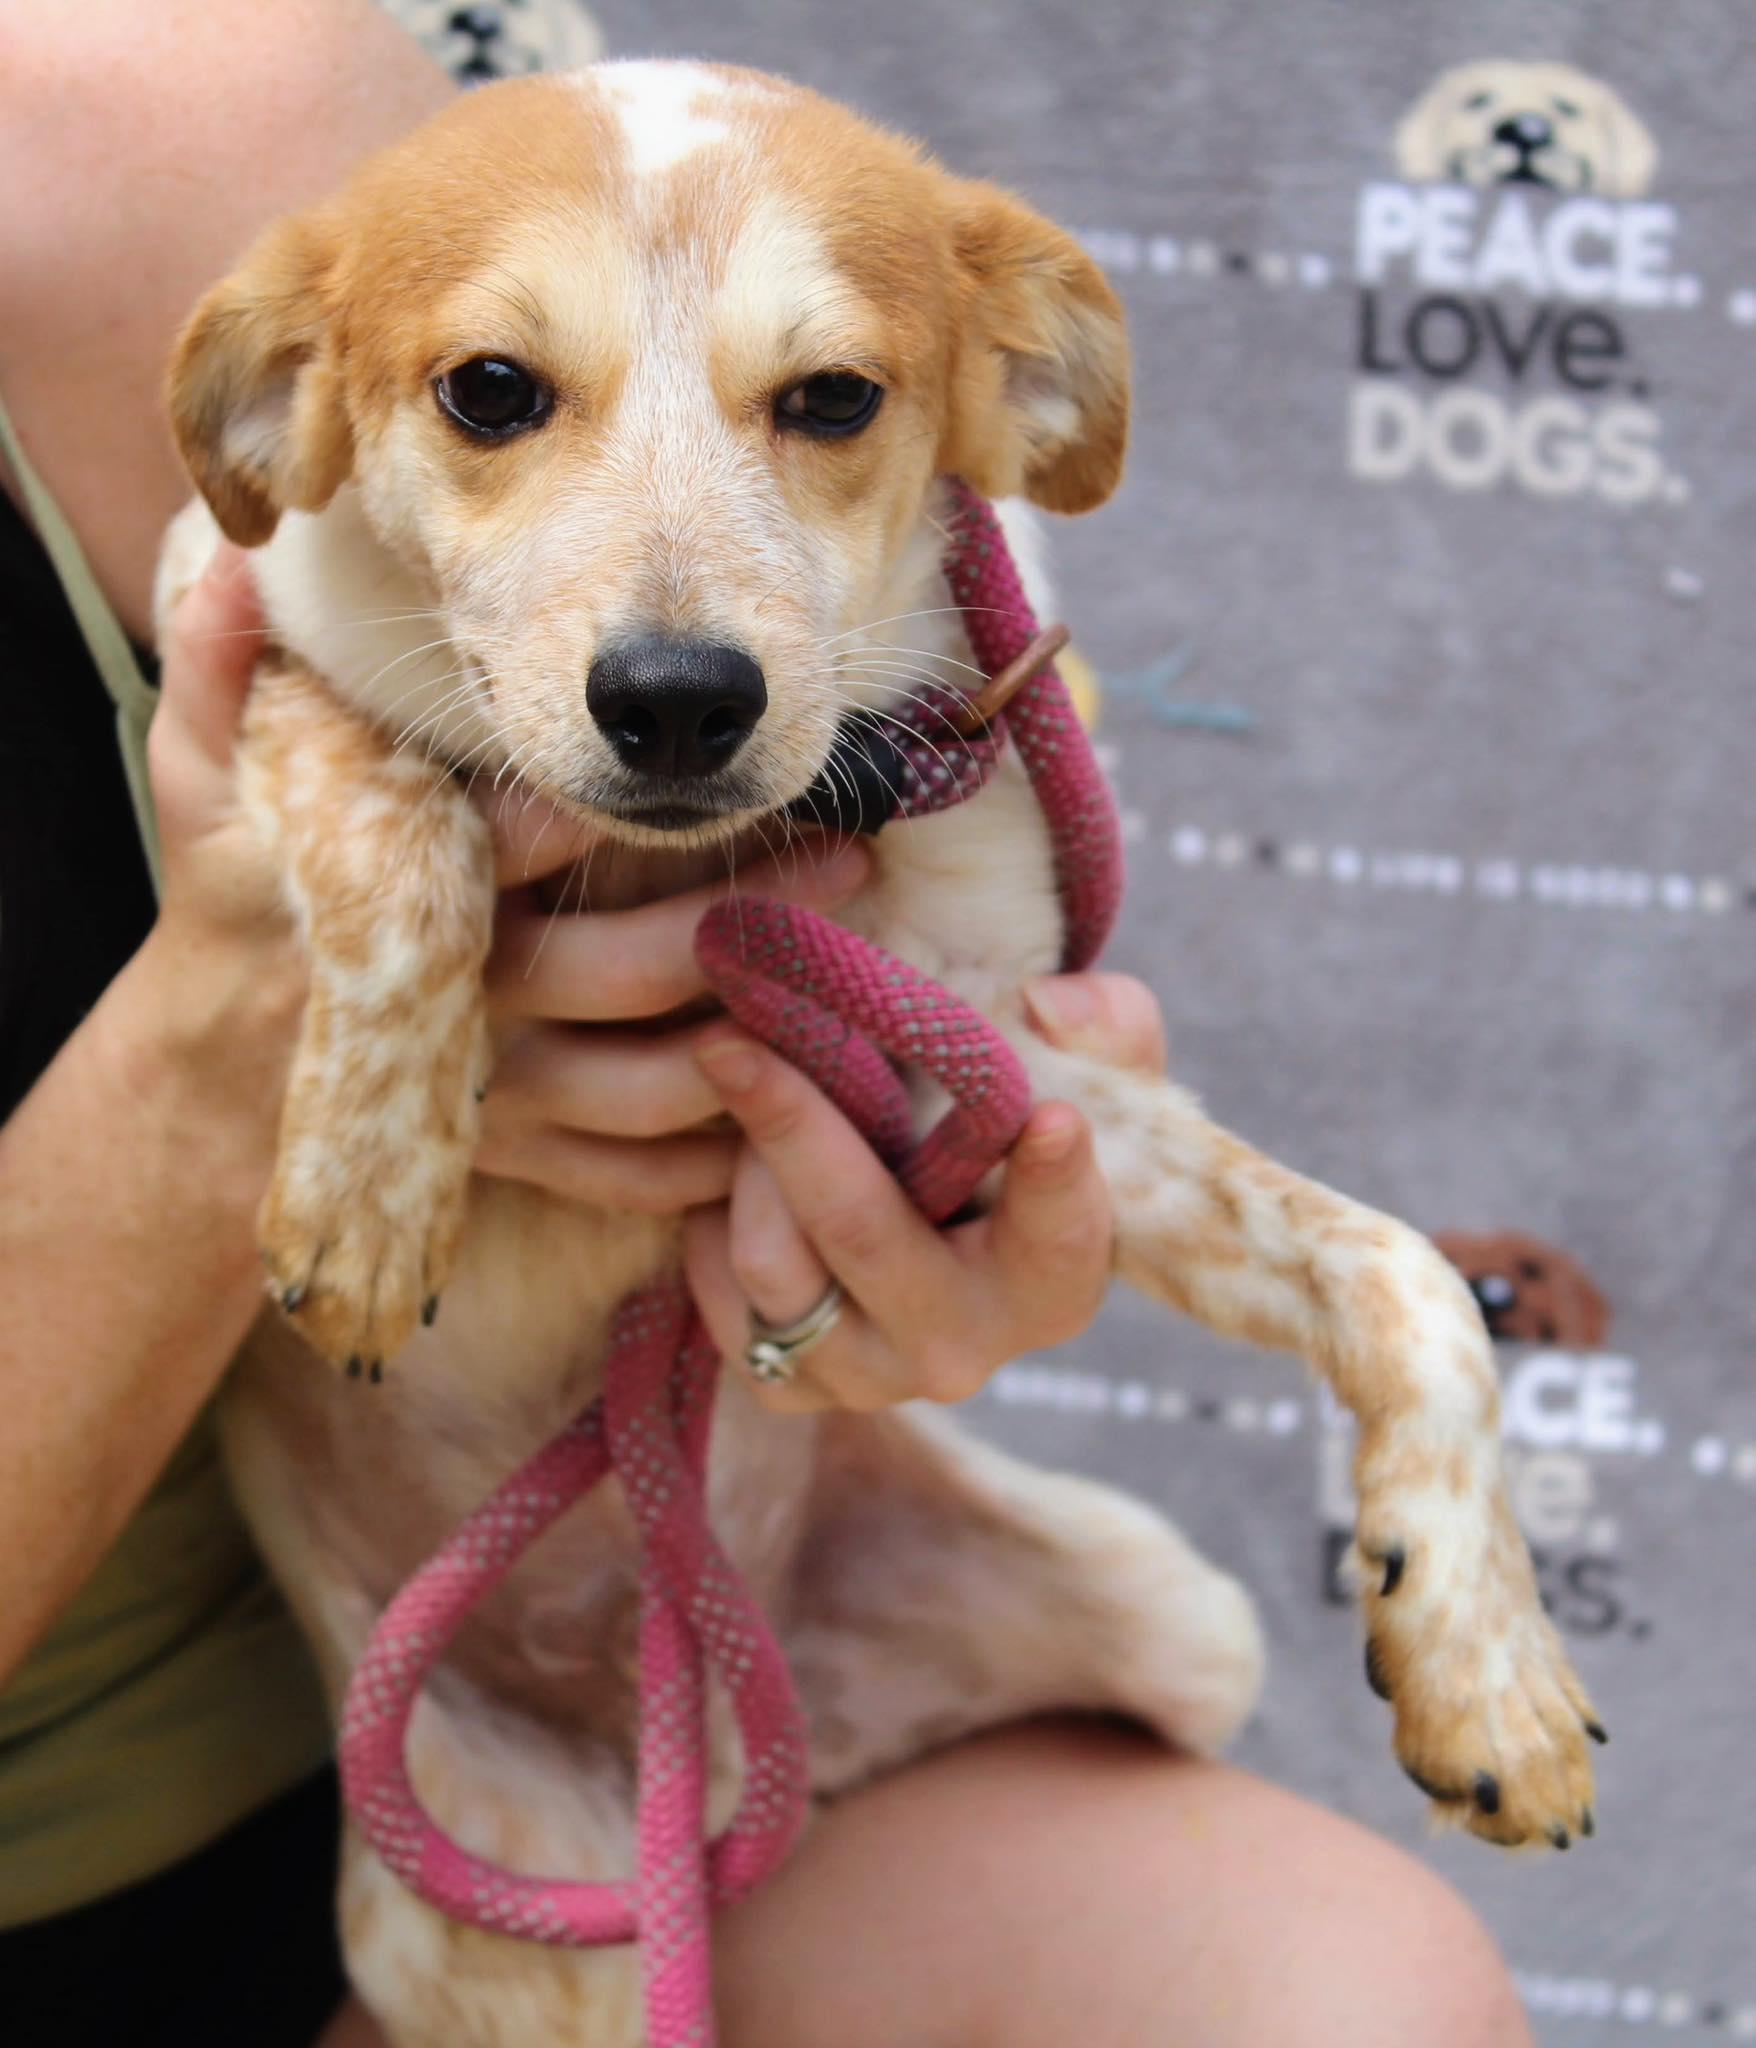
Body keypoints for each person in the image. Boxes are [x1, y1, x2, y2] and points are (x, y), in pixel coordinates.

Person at [0, 5, 1532, 2044]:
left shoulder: (149, 120)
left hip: (597, 1643)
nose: (672, 649)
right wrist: (262, 1033)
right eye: (497, 396)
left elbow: (1017, 1093)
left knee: (1345, 1990)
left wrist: (943, 1225)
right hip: (343, 1751)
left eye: (821, 398)